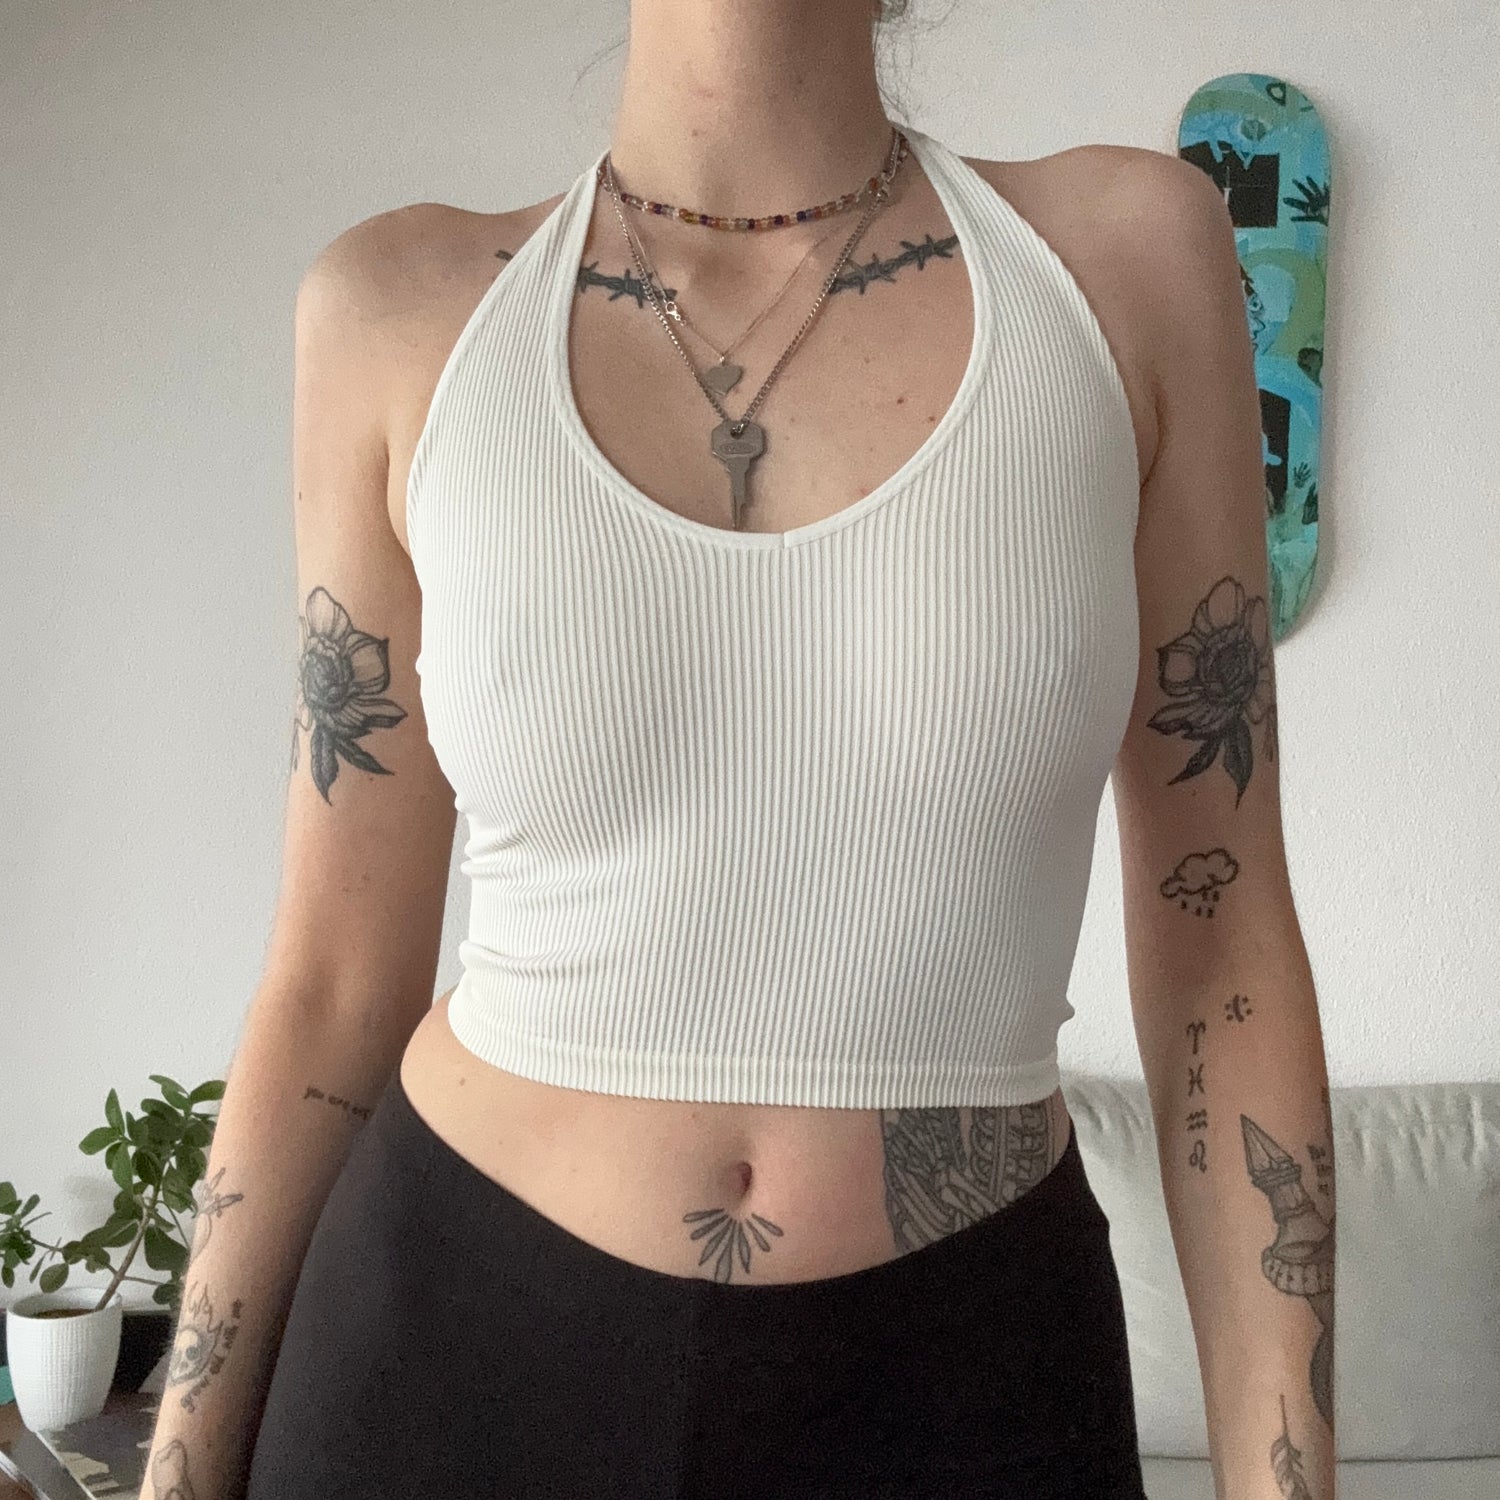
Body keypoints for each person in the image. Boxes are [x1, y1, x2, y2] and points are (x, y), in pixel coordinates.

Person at [143, 2, 1335, 1498]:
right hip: (448, 1357)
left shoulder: (1127, 262)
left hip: (967, 1374)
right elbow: (329, 980)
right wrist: (178, 1473)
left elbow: (1223, 944)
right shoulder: (396, 308)